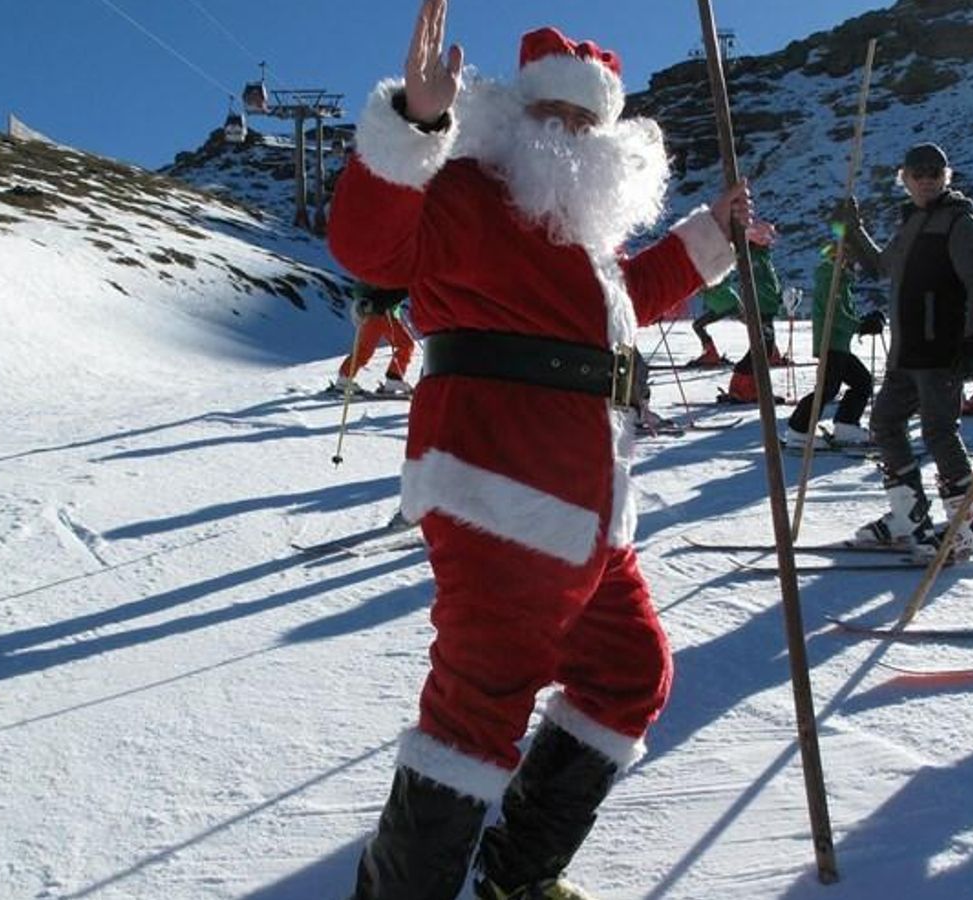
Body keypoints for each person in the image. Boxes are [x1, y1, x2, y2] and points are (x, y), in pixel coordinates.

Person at [326, 3, 751, 897]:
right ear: (514, 116)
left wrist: (711, 235)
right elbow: (369, 245)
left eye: (585, 121)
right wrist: (415, 122)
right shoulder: (467, 190)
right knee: (478, 705)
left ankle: (515, 874)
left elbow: (632, 297)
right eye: (552, 115)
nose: (567, 134)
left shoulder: (584, 239)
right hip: (493, 491)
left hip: (592, 510)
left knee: (629, 671)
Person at [837, 142, 973, 559]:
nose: (926, 179)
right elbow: (880, 266)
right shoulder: (912, 222)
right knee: (886, 423)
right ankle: (908, 515)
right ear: (904, 178)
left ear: (947, 176)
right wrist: (850, 230)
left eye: (934, 172)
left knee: (939, 433)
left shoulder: (960, 223)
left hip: (941, 350)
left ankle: (969, 525)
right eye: (917, 172)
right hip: (905, 352)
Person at [782, 240, 879, 449]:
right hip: (831, 343)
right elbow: (834, 316)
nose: (857, 265)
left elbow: (844, 312)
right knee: (827, 389)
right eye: (854, 260)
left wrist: (865, 320)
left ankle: (845, 425)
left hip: (839, 344)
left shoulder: (841, 280)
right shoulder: (830, 279)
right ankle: (798, 430)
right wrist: (861, 326)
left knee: (862, 382)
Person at [692, 220, 782, 373]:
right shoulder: (756, 258)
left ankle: (712, 355)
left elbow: (720, 279)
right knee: (757, 329)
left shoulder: (755, 259)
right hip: (728, 303)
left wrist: (703, 287)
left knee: (757, 329)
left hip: (727, 303)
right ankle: (772, 355)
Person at [720, 219, 787, 401]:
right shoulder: (755, 259)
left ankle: (745, 386)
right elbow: (759, 286)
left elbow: (770, 284)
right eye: (767, 238)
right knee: (762, 349)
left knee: (764, 348)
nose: (770, 242)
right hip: (760, 309)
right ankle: (743, 387)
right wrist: (773, 298)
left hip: (766, 308)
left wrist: (780, 296)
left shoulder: (762, 257)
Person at [334, 283, 416, 394]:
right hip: (383, 313)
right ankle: (394, 378)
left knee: (365, 348)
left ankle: (344, 378)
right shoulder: (394, 273)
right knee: (406, 344)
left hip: (373, 313)